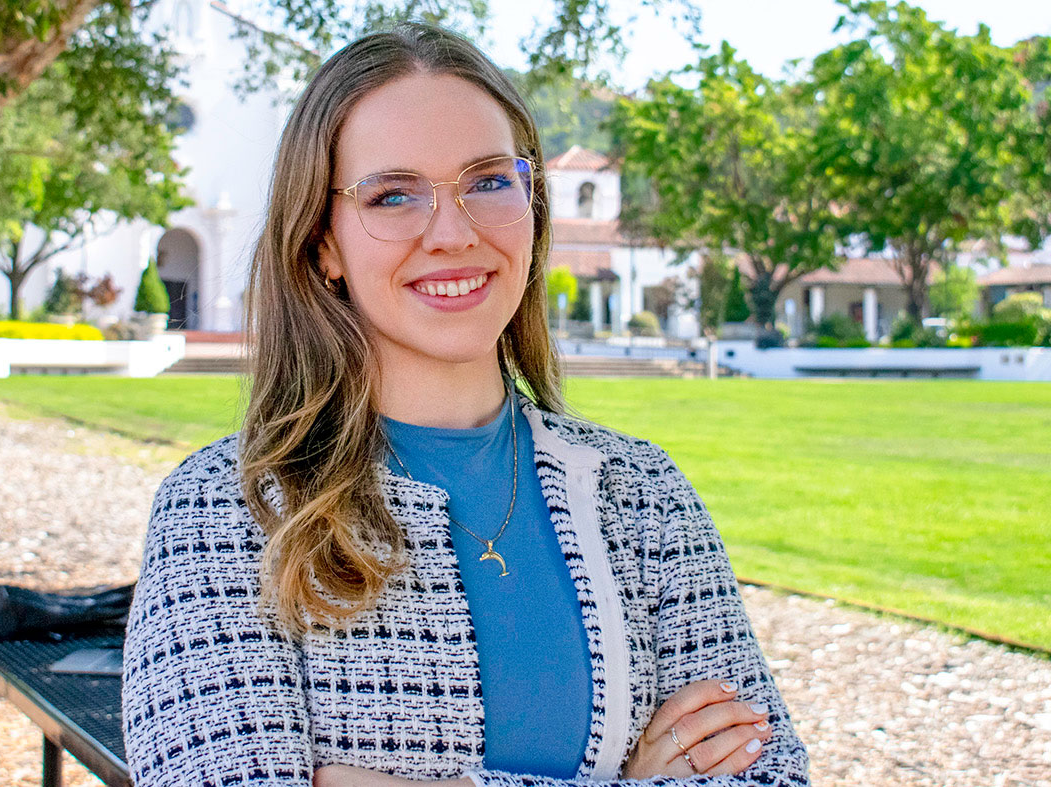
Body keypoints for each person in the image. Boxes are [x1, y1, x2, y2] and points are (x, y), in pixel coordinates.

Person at [122, 21, 809, 787]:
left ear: (532, 204)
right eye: (392, 195)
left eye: (487, 180)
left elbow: (768, 772)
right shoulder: (227, 511)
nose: (452, 232)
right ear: (323, 244)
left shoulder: (641, 493)